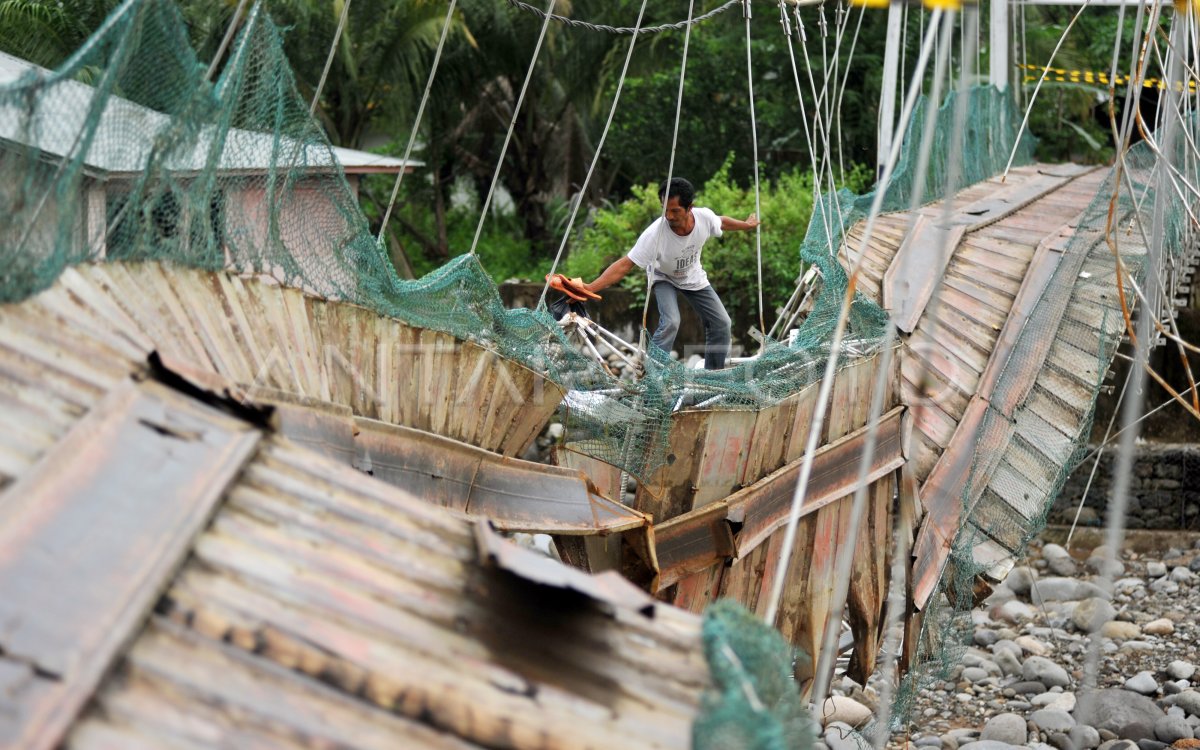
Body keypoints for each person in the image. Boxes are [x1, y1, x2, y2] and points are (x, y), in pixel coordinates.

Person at [583, 177, 760, 370]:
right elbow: (625, 265)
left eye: (675, 211)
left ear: (689, 208)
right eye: (664, 209)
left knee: (722, 323)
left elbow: (722, 222)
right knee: (671, 322)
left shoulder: (704, 218)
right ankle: (652, 379)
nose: (669, 216)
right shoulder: (654, 234)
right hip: (663, 277)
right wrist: (590, 288)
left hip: (692, 277)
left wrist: (746, 225)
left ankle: (713, 377)